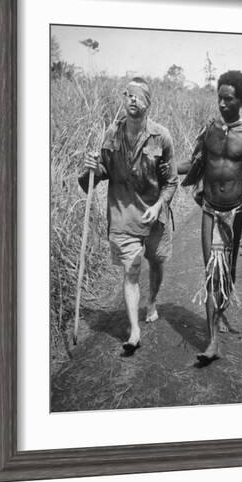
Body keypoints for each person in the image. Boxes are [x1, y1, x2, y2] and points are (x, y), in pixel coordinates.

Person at [78, 77, 178, 354]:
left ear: (148, 102)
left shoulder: (162, 136)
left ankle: (153, 301)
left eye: (138, 95)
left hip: (153, 214)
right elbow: (95, 178)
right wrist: (91, 168)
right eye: (127, 94)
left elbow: (170, 182)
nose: (132, 99)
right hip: (123, 215)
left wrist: (159, 206)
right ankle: (134, 330)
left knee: (156, 263)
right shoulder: (111, 135)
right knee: (131, 270)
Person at [177, 70, 242, 365]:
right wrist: (163, 166)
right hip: (210, 210)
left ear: (241, 100)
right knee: (213, 274)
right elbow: (194, 163)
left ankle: (220, 314)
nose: (222, 104)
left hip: (236, 213)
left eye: (229, 99)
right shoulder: (209, 131)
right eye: (219, 98)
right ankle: (212, 341)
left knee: (229, 274)